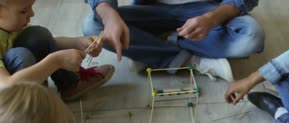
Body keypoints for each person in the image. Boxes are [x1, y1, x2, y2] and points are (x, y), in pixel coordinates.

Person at [0, 0, 115, 123]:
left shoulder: (7, 24)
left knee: (38, 35)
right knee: (20, 56)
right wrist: (55, 61)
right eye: (23, 10)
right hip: (5, 112)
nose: (31, 14)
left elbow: (49, 42)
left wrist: (76, 42)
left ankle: (70, 86)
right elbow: (8, 87)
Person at [83, 0, 265, 82]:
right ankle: (191, 60)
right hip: (150, 10)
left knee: (252, 36)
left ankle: (151, 48)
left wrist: (211, 19)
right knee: (92, 26)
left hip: (206, 8)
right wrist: (109, 17)